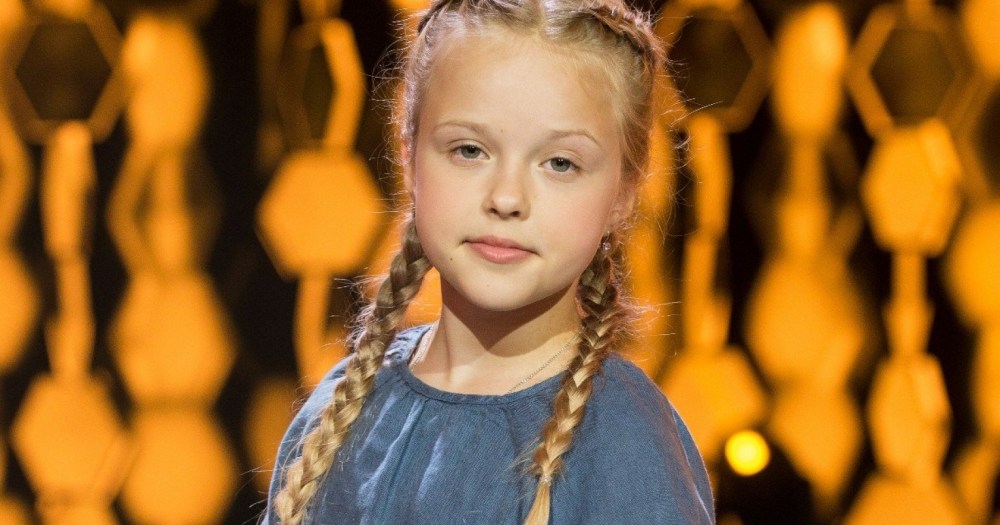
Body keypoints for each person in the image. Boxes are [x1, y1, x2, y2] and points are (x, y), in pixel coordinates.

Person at [263, 0, 715, 523]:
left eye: (560, 163)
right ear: (409, 154)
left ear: (624, 193)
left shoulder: (623, 443)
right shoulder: (338, 414)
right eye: (469, 150)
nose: (506, 197)